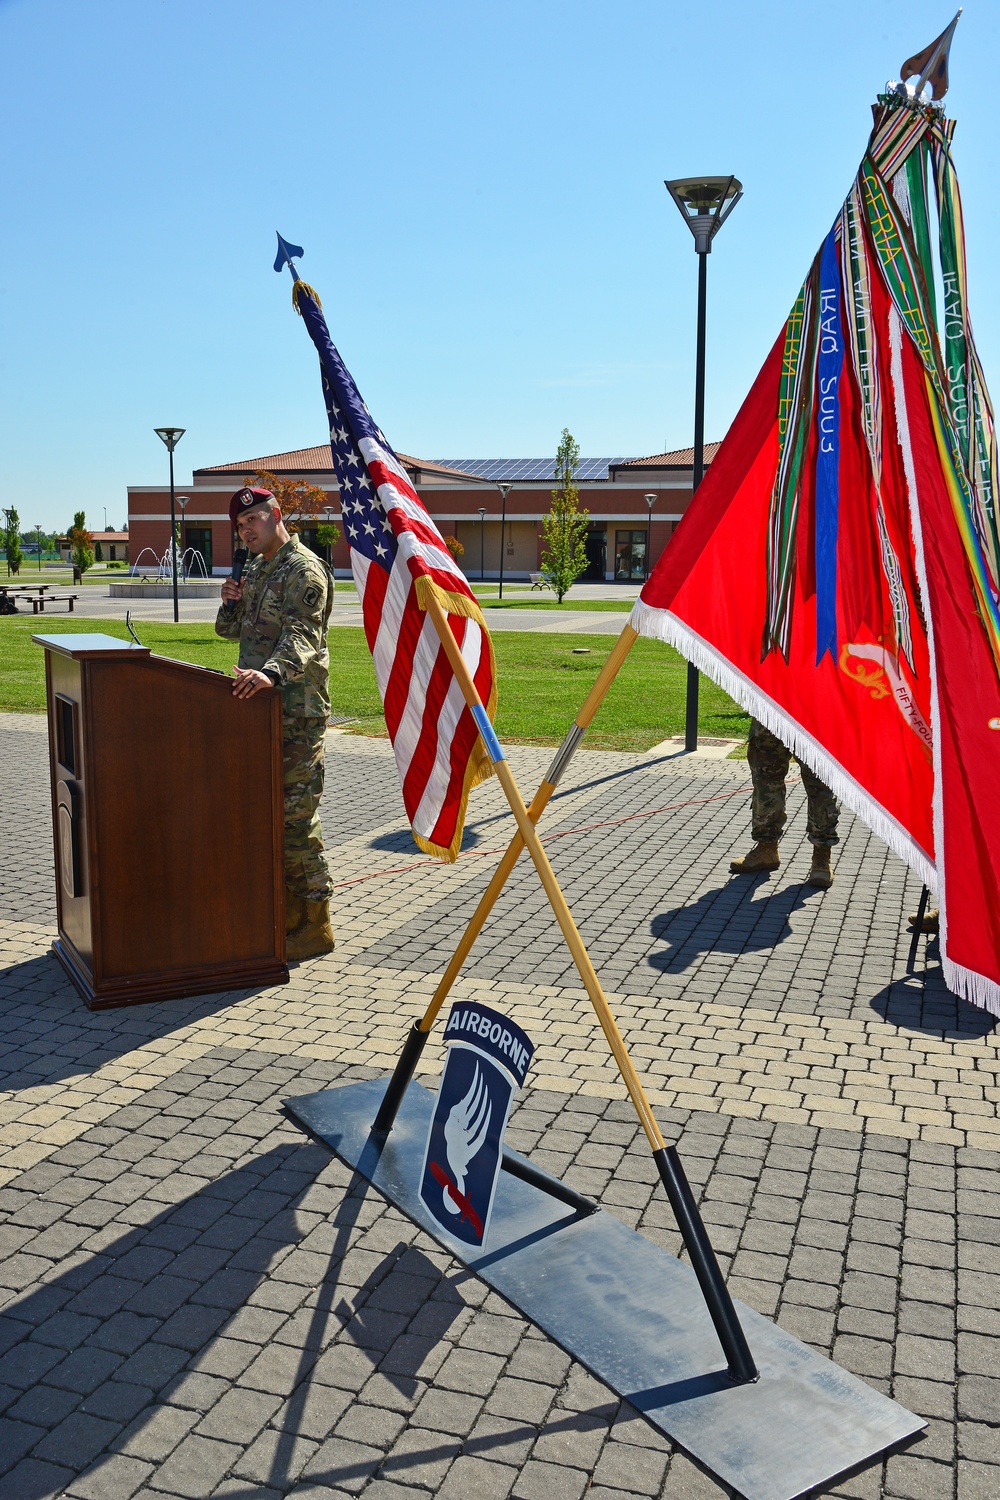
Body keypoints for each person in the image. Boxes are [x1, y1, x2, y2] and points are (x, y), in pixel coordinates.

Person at [216, 486, 335, 959]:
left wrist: (268, 674)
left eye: (254, 519)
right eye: (241, 525)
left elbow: (303, 635)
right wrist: (230, 601)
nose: (247, 529)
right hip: (260, 709)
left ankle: (315, 924)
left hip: (296, 713)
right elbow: (228, 631)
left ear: (277, 515)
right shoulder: (257, 567)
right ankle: (285, 914)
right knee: (269, 818)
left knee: (296, 820)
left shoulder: (302, 569)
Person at [730, 718, 840, 889]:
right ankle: (766, 848)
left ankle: (822, 855)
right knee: (765, 784)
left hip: (814, 714)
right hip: (771, 712)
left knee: (820, 790)